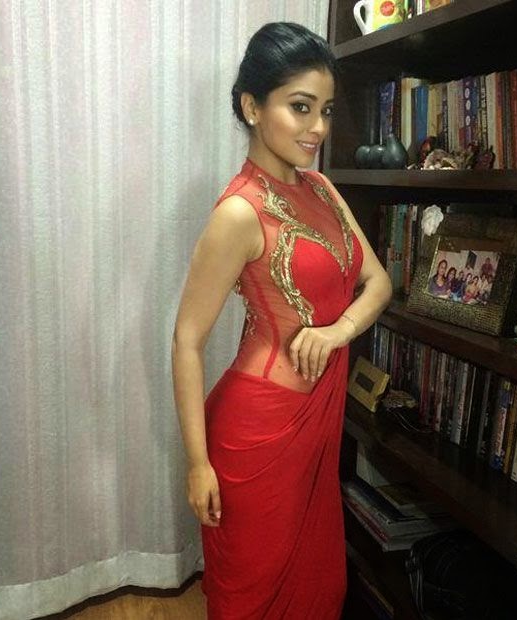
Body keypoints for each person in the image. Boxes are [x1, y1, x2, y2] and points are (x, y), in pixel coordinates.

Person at [172, 22, 392, 619]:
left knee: (319, 588)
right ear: (252, 106)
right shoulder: (239, 213)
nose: (317, 127)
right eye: (300, 107)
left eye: (325, 110)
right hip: (257, 434)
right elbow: (187, 340)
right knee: (254, 592)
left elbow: (379, 282)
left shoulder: (323, 190)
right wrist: (198, 463)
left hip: (318, 425)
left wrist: (338, 331)